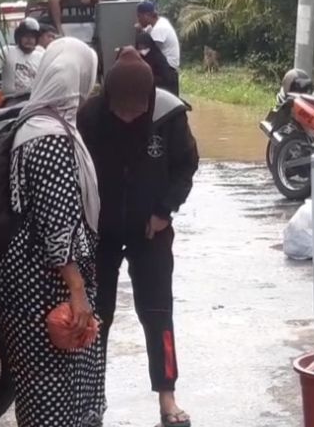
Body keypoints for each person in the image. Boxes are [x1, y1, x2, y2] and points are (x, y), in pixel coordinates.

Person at [78, 48, 199, 427]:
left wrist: (165, 210)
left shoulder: (169, 115)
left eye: (136, 110)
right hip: (102, 231)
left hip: (152, 230)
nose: (129, 116)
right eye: (122, 110)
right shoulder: (89, 116)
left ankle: (167, 395)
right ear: (108, 99)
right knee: (97, 315)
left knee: (157, 311)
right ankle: (91, 396)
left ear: (148, 101)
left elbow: (186, 166)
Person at [0, 38, 105, 427]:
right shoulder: (52, 137)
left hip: (27, 283)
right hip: (48, 286)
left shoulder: (31, 122)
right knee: (57, 396)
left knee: (41, 392)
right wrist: (77, 291)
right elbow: (58, 226)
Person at [1, 18, 45, 97]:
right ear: (19, 37)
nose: (29, 40)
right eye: (25, 36)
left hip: (34, 99)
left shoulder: (41, 56)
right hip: (11, 99)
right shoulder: (7, 51)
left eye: (32, 37)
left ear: (36, 39)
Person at [135, 1, 181, 73]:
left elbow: (148, 51)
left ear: (146, 15)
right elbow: (148, 32)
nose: (138, 20)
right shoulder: (160, 21)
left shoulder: (159, 28)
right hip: (166, 65)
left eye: (139, 16)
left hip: (168, 68)